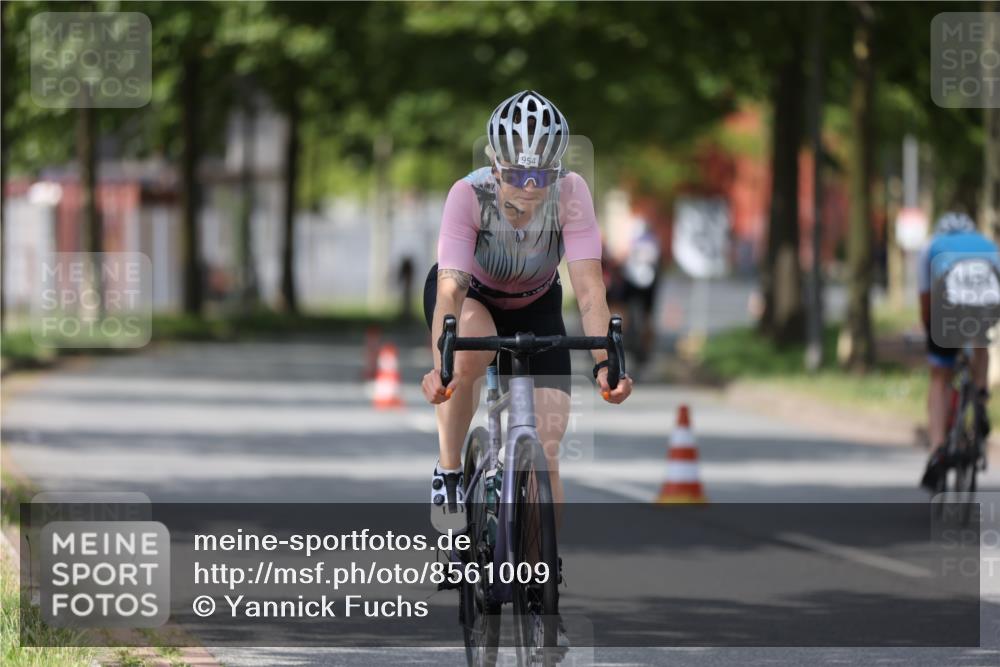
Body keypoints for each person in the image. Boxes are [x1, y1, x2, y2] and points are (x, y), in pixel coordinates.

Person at [420, 90, 633, 521]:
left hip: (536, 301)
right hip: (473, 295)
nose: (531, 187)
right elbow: (451, 291)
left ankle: (538, 570)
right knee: (471, 350)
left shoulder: (572, 194)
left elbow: (590, 291)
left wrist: (605, 363)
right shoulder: (468, 194)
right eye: (518, 174)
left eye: (543, 174)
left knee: (547, 442)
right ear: (496, 166)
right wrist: (440, 365)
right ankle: (449, 471)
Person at [919, 211, 999, 491]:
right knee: (981, 344)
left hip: (948, 309)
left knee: (940, 377)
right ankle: (980, 396)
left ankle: (939, 448)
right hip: (986, 305)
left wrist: (928, 327)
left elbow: (926, 297)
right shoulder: (988, 245)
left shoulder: (933, 245)